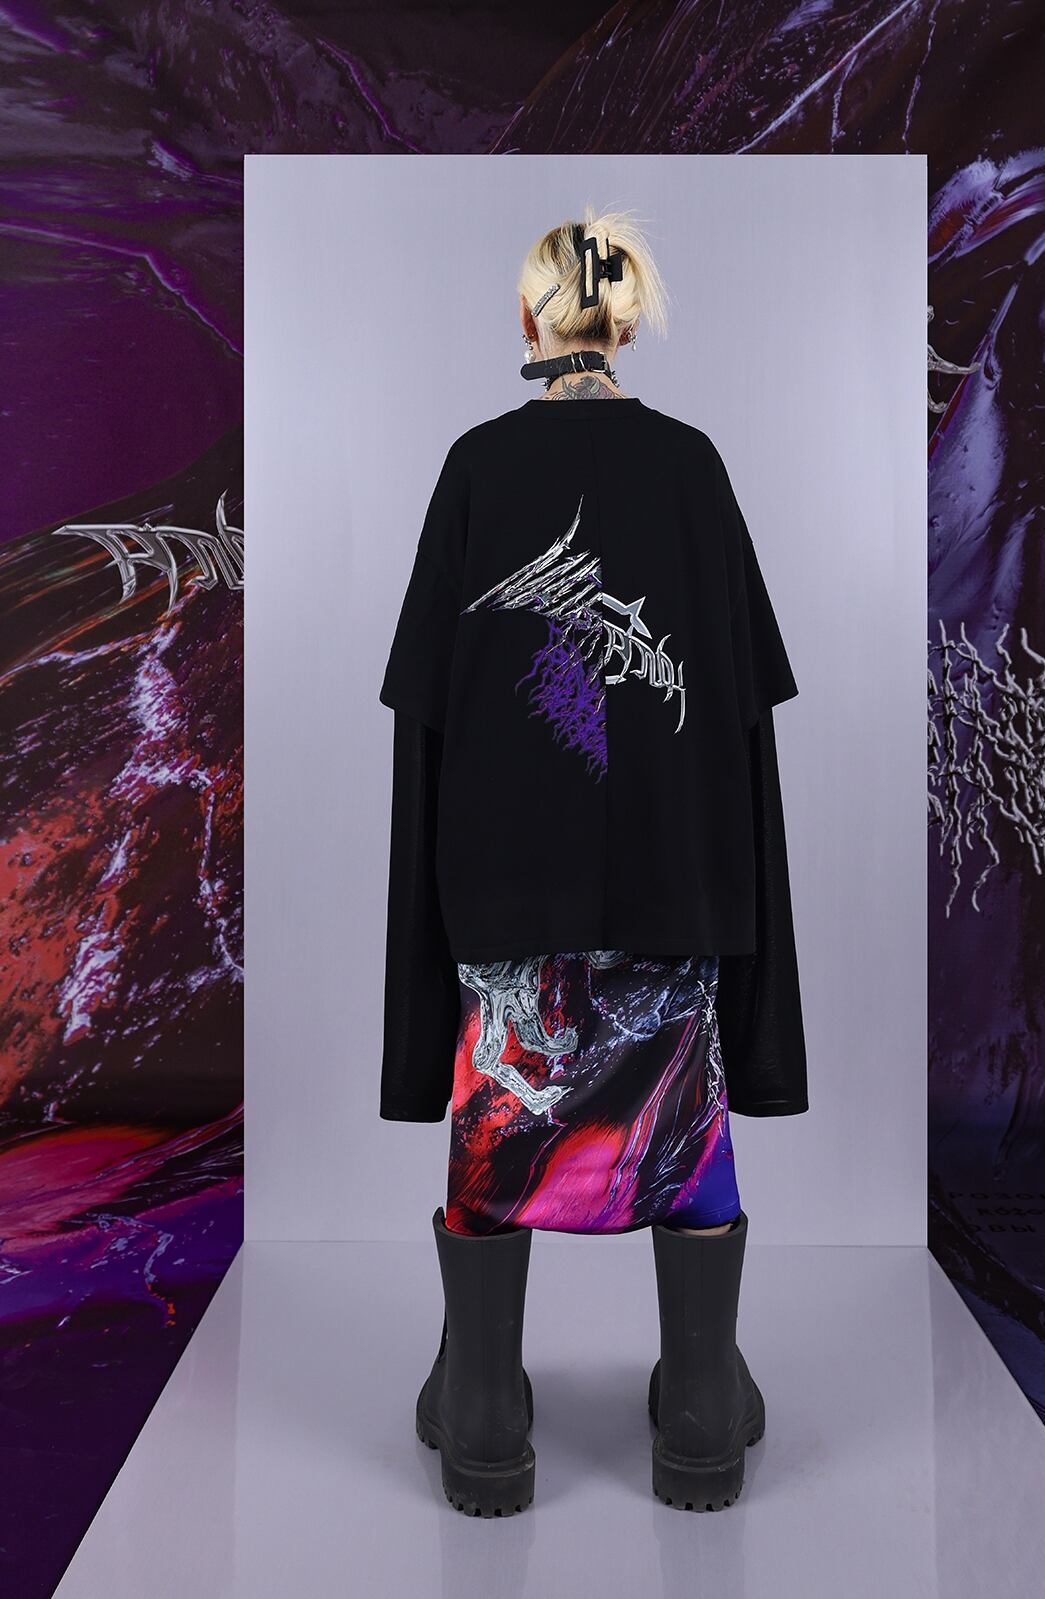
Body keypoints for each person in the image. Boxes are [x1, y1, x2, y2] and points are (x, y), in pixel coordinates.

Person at [378, 208, 808, 1517]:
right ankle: (700, 1407)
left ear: (531, 319)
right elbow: (744, 716)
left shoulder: (474, 467)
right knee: (684, 1130)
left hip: (504, 895)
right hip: (673, 887)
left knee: (497, 1122)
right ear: (625, 322)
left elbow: (425, 720)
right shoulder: (693, 468)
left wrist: (432, 922)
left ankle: (484, 1411)